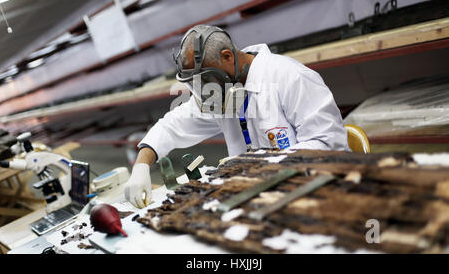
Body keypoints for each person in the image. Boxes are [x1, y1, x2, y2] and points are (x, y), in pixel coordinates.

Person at [124, 24, 349, 208]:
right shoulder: (218, 94)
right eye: (195, 85)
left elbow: (329, 144)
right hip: (260, 198)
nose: (204, 93)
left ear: (227, 56)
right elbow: (171, 126)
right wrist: (142, 166)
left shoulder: (290, 77)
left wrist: (258, 164)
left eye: (206, 81)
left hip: (316, 189)